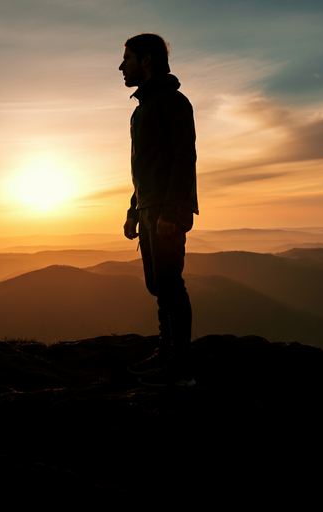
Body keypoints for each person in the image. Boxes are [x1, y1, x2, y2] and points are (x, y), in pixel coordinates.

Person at [119, 33, 199, 387]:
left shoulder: (172, 102)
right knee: (158, 285)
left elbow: (184, 158)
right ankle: (166, 353)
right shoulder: (142, 110)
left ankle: (180, 368)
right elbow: (144, 169)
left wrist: (170, 211)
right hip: (151, 208)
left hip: (168, 211)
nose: (122, 66)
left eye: (128, 58)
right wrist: (134, 210)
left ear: (146, 60)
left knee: (170, 285)